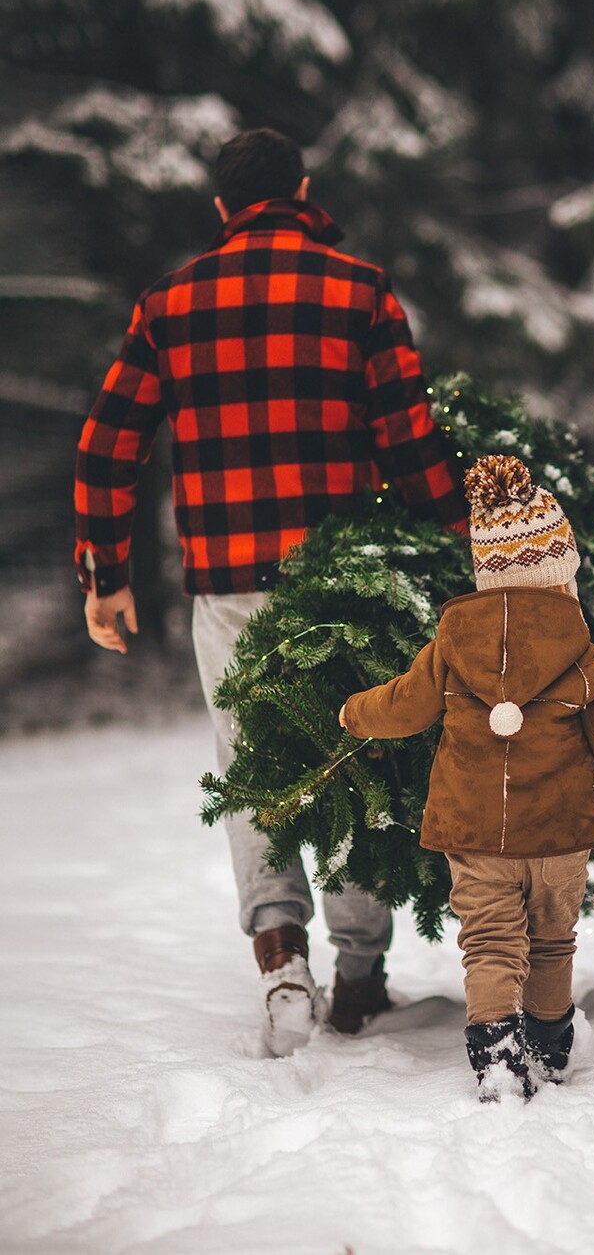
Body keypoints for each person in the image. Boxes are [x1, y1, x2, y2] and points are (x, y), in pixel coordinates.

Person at [75, 127, 468, 1055]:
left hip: (230, 588)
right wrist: (468, 544)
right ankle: (361, 975)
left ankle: (281, 964)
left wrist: (107, 574)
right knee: (356, 759)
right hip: (345, 584)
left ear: (221, 208)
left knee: (253, 770)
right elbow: (411, 441)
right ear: (304, 187)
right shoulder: (360, 289)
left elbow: (106, 444)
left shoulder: (169, 303)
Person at [339, 454, 594, 1101]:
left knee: (488, 943)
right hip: (558, 835)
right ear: (559, 570)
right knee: (551, 940)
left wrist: (354, 711)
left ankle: (495, 1056)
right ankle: (549, 1039)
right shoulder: (581, 652)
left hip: (476, 834)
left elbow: (405, 703)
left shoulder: (454, 643)